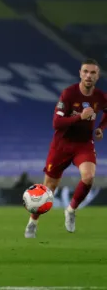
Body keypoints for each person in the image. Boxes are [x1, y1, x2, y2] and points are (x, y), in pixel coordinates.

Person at [25, 58, 107, 238]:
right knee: (48, 189)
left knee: (89, 176)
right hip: (61, 145)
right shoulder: (69, 94)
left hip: (83, 144)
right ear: (80, 73)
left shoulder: (100, 97)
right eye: (85, 71)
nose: (88, 75)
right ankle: (33, 221)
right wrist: (80, 117)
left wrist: (100, 128)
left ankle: (70, 210)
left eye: (93, 73)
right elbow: (57, 123)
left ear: (97, 76)